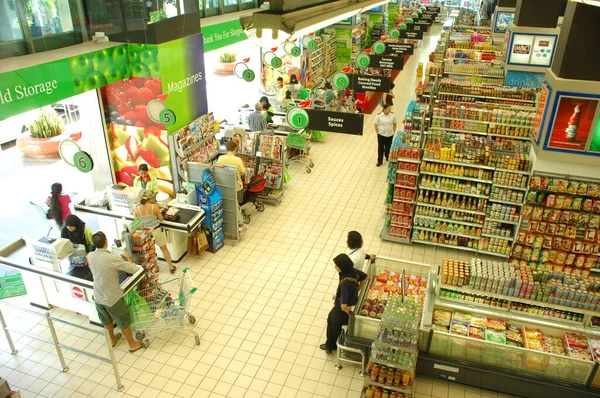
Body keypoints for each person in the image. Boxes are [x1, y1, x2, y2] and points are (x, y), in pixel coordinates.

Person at [87, 231, 146, 353]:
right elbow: (133, 269)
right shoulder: (112, 257)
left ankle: (112, 339)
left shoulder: (90, 256)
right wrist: (128, 258)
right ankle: (132, 344)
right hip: (112, 297)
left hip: (98, 295)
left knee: (106, 319)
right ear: (106, 242)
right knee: (123, 320)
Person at [320, 254, 367, 354]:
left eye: (337, 266)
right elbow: (364, 277)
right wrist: (358, 289)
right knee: (332, 320)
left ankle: (332, 346)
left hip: (341, 308)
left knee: (333, 324)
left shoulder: (345, 283)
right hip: (350, 302)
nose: (335, 267)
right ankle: (332, 344)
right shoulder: (353, 271)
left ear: (342, 267)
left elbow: (343, 305)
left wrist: (347, 311)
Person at [132, 190, 176, 273]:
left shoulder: (136, 210)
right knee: (164, 249)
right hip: (157, 230)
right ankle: (171, 267)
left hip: (146, 234)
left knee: (152, 251)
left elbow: (136, 224)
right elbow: (161, 219)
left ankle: (156, 268)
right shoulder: (154, 206)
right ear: (150, 198)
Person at [217, 140, 246, 208]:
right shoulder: (237, 160)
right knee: (237, 204)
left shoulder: (220, 158)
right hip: (236, 186)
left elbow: (218, 169)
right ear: (235, 148)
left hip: (225, 185)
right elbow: (242, 173)